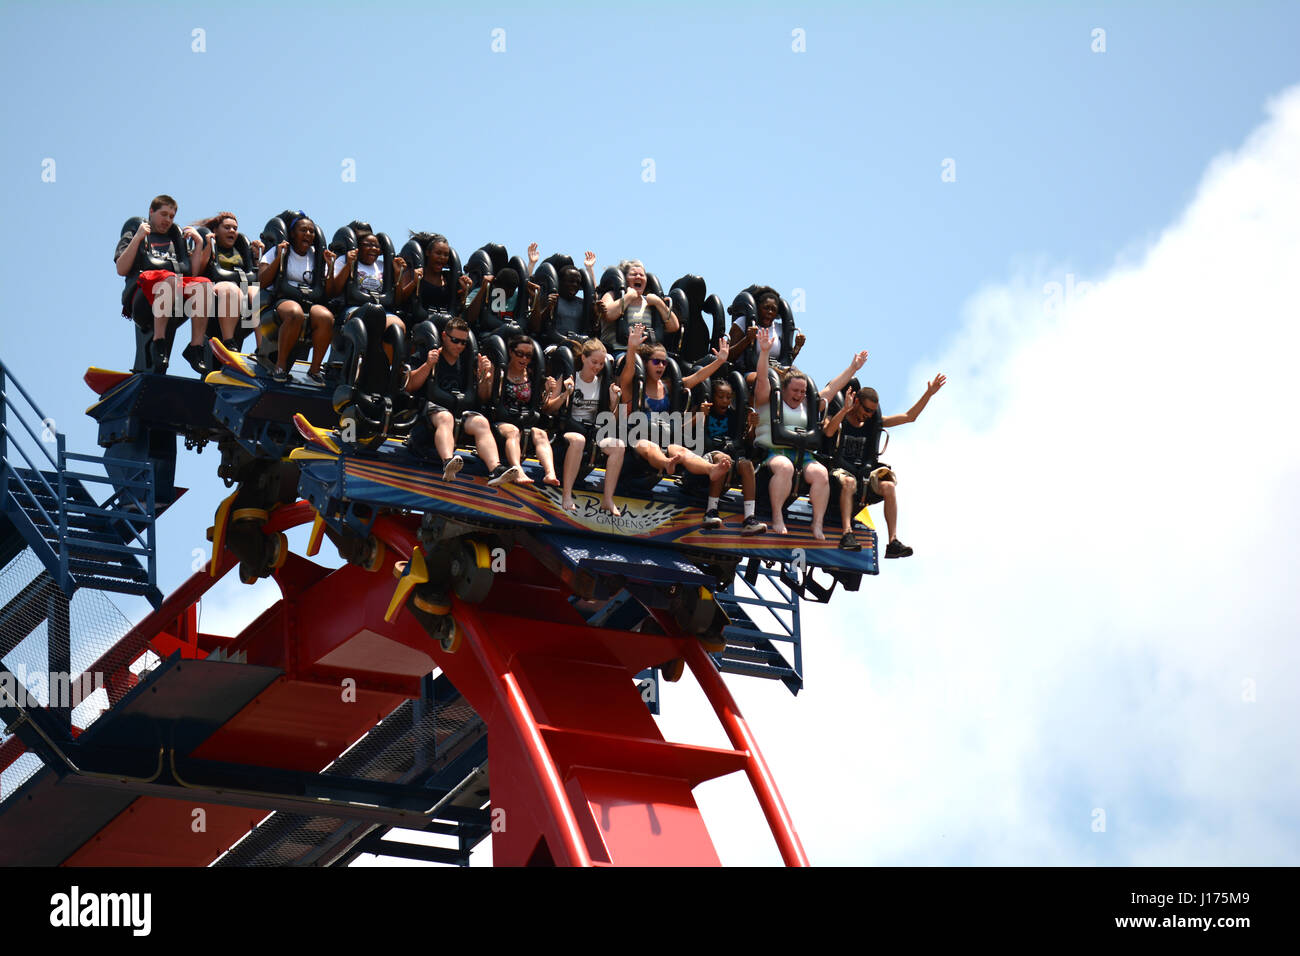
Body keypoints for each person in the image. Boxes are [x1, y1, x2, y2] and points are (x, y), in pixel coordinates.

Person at [752, 326, 867, 539]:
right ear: (784, 390)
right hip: (774, 453)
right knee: (785, 468)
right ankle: (777, 516)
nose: (799, 395)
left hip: (803, 454)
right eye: (795, 391)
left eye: (802, 392)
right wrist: (765, 352)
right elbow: (761, 380)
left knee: (821, 474)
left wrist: (853, 369)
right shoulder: (768, 400)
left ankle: (817, 525)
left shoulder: (807, 404)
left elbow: (831, 389)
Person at [617, 324, 732, 527]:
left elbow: (697, 378)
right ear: (645, 364)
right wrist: (632, 348)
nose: (661, 366)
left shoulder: (667, 387)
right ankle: (665, 464)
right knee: (649, 446)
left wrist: (720, 360)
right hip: (636, 440)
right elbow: (627, 372)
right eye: (656, 362)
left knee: (680, 450)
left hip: (663, 438)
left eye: (663, 362)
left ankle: (711, 469)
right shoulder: (635, 385)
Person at [823, 374, 946, 556]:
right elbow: (827, 432)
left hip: (864, 472)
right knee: (849, 483)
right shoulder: (837, 416)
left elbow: (909, 416)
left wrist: (928, 394)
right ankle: (847, 534)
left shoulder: (873, 421)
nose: (869, 414)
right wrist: (844, 411)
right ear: (856, 402)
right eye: (866, 409)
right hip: (839, 471)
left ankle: (893, 542)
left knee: (888, 485)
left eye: (872, 411)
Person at [403, 317, 523, 486]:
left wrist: (484, 377)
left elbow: (482, 397)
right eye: (455, 341)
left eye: (463, 342)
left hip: (460, 410)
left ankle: (495, 469)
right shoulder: (427, 354)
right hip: (432, 410)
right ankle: (448, 463)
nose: (459, 346)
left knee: (481, 422)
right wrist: (428, 365)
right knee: (446, 417)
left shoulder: (468, 361)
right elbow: (409, 386)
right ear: (444, 336)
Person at [114, 194, 213, 374]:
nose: (167, 220)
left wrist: (198, 245)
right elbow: (121, 268)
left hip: (173, 295)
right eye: (164, 214)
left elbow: (193, 274)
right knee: (168, 279)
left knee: (204, 285)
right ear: (151, 212)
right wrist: (137, 238)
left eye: (172, 216)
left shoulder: (175, 238)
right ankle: (158, 343)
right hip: (144, 297)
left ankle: (195, 347)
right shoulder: (138, 231)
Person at [257, 213, 333, 383]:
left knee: (326, 317)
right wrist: (279, 257)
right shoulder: (277, 251)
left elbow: (330, 291)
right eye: (303, 230)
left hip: (310, 301)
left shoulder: (317, 256)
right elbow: (261, 281)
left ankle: (314, 370)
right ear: (292, 234)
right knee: (294, 313)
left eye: (311, 231)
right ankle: (281, 366)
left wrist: (331, 267)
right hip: (282, 301)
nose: (308, 234)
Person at [554, 339, 626, 515]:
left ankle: (608, 500)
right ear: (584, 359)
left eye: (601, 364)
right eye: (594, 362)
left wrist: (614, 401)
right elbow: (548, 407)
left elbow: (612, 418)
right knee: (578, 440)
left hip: (592, 431)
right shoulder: (571, 378)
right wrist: (565, 394)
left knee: (619, 446)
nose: (598, 367)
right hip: (569, 429)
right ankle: (566, 495)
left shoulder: (602, 384)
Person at [488, 335, 562, 487]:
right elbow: (488, 397)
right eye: (520, 354)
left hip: (524, 421)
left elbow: (541, 405)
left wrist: (547, 390)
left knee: (541, 434)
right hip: (503, 421)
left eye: (528, 356)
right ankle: (518, 470)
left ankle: (550, 473)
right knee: (513, 431)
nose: (524, 359)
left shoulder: (532, 375)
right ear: (511, 352)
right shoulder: (501, 372)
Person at [694, 379, 766, 534]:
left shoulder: (734, 417)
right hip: (707, 455)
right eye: (721, 397)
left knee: (747, 465)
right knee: (723, 460)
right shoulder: (702, 411)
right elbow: (684, 432)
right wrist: (699, 416)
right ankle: (711, 512)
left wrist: (753, 427)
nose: (725, 401)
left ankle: (749, 519)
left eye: (729, 397)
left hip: (731, 454)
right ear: (712, 397)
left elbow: (746, 443)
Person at [191, 211, 263, 355]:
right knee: (230, 288)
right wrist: (207, 249)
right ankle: (228, 341)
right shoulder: (211, 246)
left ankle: (262, 346)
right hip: (218, 289)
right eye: (227, 227)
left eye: (235, 228)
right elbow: (197, 272)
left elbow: (254, 275)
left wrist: (256, 257)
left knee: (256, 293)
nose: (232, 231)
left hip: (241, 288)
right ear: (216, 230)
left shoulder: (240, 249)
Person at [327, 222, 407, 350]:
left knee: (398, 326)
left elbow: (397, 300)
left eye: (376, 246)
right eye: (368, 245)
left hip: (381, 309)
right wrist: (349, 265)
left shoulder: (383, 266)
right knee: (364, 322)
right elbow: (334, 291)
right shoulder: (343, 260)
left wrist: (398, 274)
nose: (373, 249)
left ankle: (390, 366)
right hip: (353, 308)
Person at [728, 286, 805, 386]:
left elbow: (786, 361)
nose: (769, 312)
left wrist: (798, 347)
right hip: (748, 372)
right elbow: (728, 356)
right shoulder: (743, 322)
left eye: (773, 309)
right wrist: (747, 339)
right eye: (766, 308)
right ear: (757, 308)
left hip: (777, 373)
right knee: (769, 380)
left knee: (801, 382)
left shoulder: (779, 329)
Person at [598, 260, 679, 351]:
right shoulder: (612, 295)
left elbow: (674, 326)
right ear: (624, 279)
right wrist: (628, 297)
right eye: (633, 274)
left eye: (642, 275)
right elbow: (608, 315)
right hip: (619, 350)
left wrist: (659, 303)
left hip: (647, 354)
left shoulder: (651, 302)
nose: (638, 277)